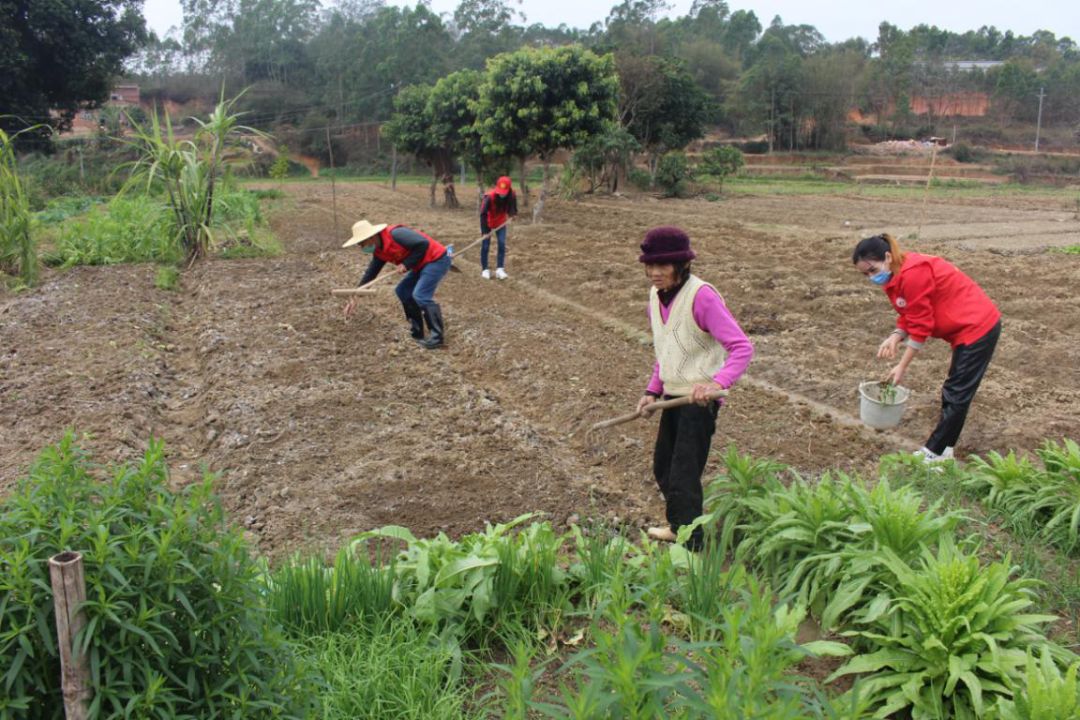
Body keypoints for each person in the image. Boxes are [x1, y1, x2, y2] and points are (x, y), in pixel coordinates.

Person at [634, 227, 754, 550]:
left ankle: (692, 546)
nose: (655, 273)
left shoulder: (702, 297)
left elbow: (742, 347)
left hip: (698, 402)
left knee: (684, 474)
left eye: (664, 265)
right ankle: (680, 527)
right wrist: (651, 391)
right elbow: (666, 352)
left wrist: (716, 384)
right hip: (672, 398)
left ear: (681, 265)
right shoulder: (654, 298)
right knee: (664, 467)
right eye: (650, 266)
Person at [852, 233, 1001, 461]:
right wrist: (895, 336)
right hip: (962, 329)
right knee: (955, 392)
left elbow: (921, 327)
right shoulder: (894, 276)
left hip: (977, 327)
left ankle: (933, 453)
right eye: (865, 274)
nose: (871, 277)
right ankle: (945, 449)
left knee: (957, 393)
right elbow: (909, 312)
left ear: (888, 257)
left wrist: (901, 366)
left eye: (872, 270)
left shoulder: (913, 274)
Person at [342, 219, 451, 349]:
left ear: (370, 237)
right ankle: (417, 332)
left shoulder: (396, 234)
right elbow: (371, 273)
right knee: (402, 291)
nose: (362, 247)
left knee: (420, 295)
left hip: (436, 259)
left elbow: (423, 244)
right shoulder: (379, 250)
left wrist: (406, 264)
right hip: (420, 265)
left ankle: (437, 337)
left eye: (362, 243)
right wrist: (356, 295)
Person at [479, 175, 517, 280]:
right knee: (486, 246)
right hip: (488, 222)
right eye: (500, 192)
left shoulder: (512, 195)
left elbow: (513, 207)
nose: (501, 194)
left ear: (509, 190)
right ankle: (485, 269)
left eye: (504, 192)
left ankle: (500, 269)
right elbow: (483, 214)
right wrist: (485, 231)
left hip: (501, 223)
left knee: (501, 243)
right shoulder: (489, 197)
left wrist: (513, 214)